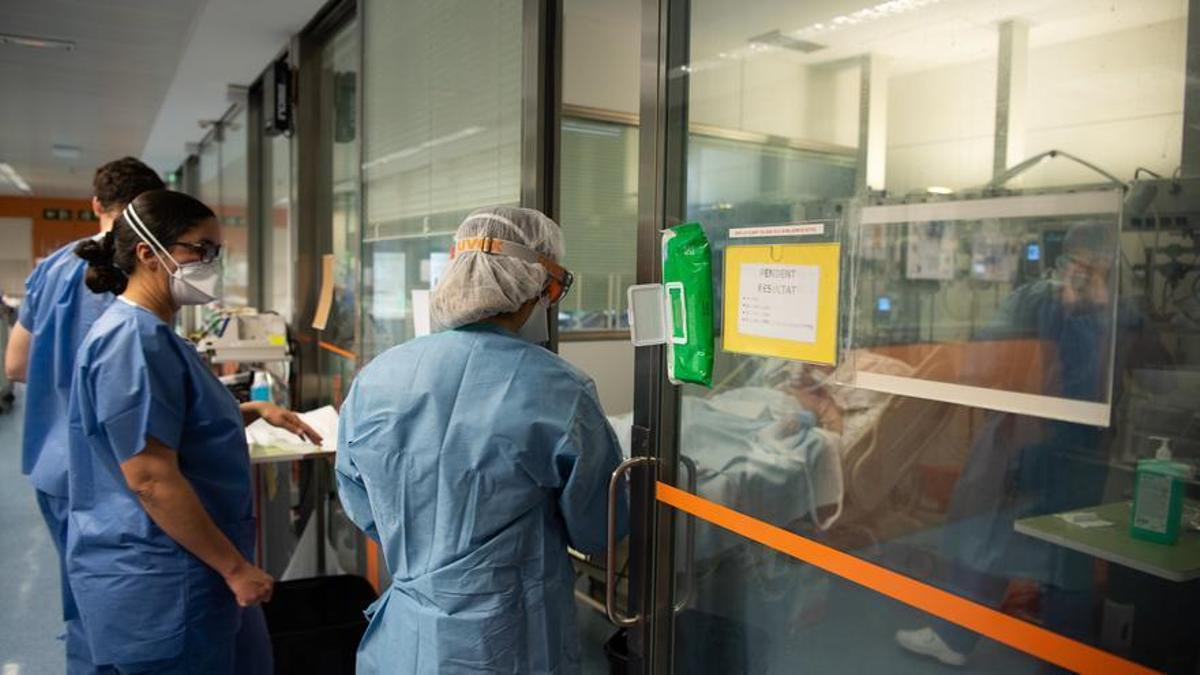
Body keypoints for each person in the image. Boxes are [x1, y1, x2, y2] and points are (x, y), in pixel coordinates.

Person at [336, 206, 628, 674]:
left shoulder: (377, 378)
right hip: (512, 639)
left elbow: (365, 507)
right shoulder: (559, 389)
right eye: (555, 288)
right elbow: (597, 527)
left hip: (406, 638)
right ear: (537, 286)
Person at [895, 223, 1172, 669]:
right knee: (985, 538)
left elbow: (1159, 374)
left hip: (1073, 450)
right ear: (1061, 262)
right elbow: (986, 355)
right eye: (1075, 263)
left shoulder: (1120, 312)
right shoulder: (1036, 299)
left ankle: (1059, 657)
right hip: (1025, 441)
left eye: (1093, 266)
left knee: (1065, 560)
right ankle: (955, 635)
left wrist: (1108, 317)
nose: (1082, 274)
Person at [67, 189, 322, 673]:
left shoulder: (154, 334)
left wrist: (250, 411)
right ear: (148, 254)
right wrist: (235, 569)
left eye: (216, 253)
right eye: (200, 250)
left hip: (182, 566)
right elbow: (150, 477)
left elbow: (171, 425)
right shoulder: (133, 341)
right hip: (163, 577)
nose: (211, 264)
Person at [3, 157, 163, 673]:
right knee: (129, 612)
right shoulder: (129, 274)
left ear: (96, 203)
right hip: (109, 471)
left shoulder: (50, 269)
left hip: (54, 469)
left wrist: (61, 383)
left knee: (82, 599)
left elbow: (16, 364)